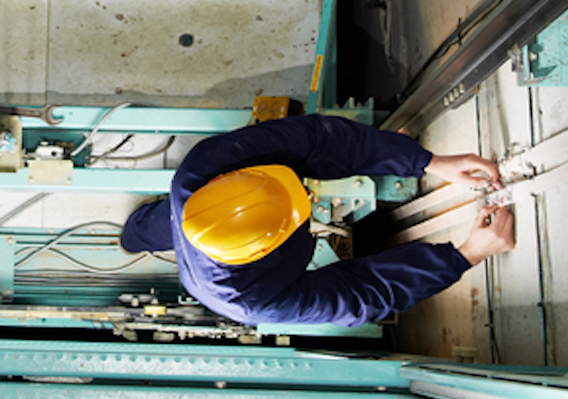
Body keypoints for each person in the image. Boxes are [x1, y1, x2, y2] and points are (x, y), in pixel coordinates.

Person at [120, 114, 515, 326]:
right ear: (266, 248)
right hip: (211, 271)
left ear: (232, 179)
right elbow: (362, 293)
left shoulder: (203, 168)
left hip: (185, 209)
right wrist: (465, 255)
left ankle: (132, 235)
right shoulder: (253, 300)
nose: (307, 197)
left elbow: (320, 139)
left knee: (158, 222)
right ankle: (135, 234)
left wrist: (427, 162)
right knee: (167, 223)